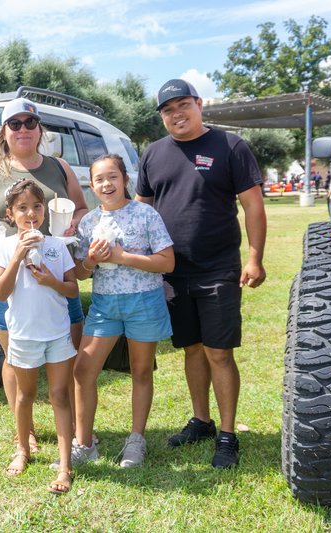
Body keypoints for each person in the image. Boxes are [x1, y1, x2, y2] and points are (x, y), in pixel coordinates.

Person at [136, 79, 267, 469]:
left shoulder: (231, 146)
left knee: (219, 352)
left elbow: (254, 207)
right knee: (191, 349)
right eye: (167, 110)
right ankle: (202, 421)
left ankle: (227, 435)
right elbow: (142, 211)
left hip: (218, 267)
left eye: (182, 105)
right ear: (162, 117)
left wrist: (255, 258)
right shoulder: (153, 154)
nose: (176, 114)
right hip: (172, 272)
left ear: (199, 104)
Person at [0, 97, 89, 454]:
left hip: (55, 267)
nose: (22, 130)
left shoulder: (59, 167)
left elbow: (80, 207)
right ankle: (26, 432)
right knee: (15, 357)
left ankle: (77, 428)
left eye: (29, 123)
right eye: (14, 124)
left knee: (69, 350)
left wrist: (74, 222)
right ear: (4, 131)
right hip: (4, 271)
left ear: (39, 129)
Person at [69, 154, 174, 469]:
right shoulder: (88, 222)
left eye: (112, 177)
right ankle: (84, 444)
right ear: (92, 185)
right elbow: (81, 274)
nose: (106, 184)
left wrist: (121, 255)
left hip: (144, 300)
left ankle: (136, 441)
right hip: (105, 305)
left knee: (141, 372)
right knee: (83, 371)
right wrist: (89, 260)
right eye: (99, 179)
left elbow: (167, 262)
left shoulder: (145, 214)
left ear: (124, 179)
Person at [0, 178, 78, 494]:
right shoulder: (4, 246)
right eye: (23, 208)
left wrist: (51, 281)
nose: (31, 213)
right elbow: (1, 294)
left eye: (37, 207)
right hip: (24, 335)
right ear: (11, 215)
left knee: (59, 395)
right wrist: (17, 255)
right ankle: (23, 449)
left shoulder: (56, 246)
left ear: (45, 210)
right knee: (25, 395)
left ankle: (65, 465)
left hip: (56, 333)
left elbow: (73, 289)